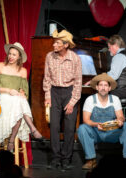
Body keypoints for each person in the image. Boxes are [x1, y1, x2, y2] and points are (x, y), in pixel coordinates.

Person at [0, 42, 44, 151]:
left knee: (20, 101)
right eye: (10, 54)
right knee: (19, 103)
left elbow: (24, 91)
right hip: (2, 97)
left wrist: (22, 93)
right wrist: (8, 90)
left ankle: (13, 139)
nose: (11, 56)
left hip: (16, 100)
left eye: (14, 54)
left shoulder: (23, 71)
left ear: (19, 57)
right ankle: (33, 129)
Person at [77, 73, 126, 170]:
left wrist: (120, 120)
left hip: (112, 132)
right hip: (96, 132)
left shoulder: (115, 99)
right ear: (97, 87)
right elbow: (86, 120)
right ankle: (91, 160)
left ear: (109, 88)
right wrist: (96, 124)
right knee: (82, 128)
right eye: (101, 85)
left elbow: (120, 116)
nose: (103, 88)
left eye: (105, 85)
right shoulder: (90, 100)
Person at [43, 29, 82, 170]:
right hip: (54, 92)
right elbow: (46, 78)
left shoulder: (75, 58)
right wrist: (47, 96)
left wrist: (72, 102)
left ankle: (66, 158)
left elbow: (78, 81)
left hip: (69, 92)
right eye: (54, 42)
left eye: (57, 42)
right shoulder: (49, 57)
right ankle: (55, 158)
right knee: (54, 126)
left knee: (70, 127)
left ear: (65, 45)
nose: (54, 45)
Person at [107, 35, 126, 99]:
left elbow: (113, 76)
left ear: (115, 45)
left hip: (121, 90)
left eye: (109, 47)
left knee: (101, 96)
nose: (109, 50)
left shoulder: (118, 56)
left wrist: (98, 79)